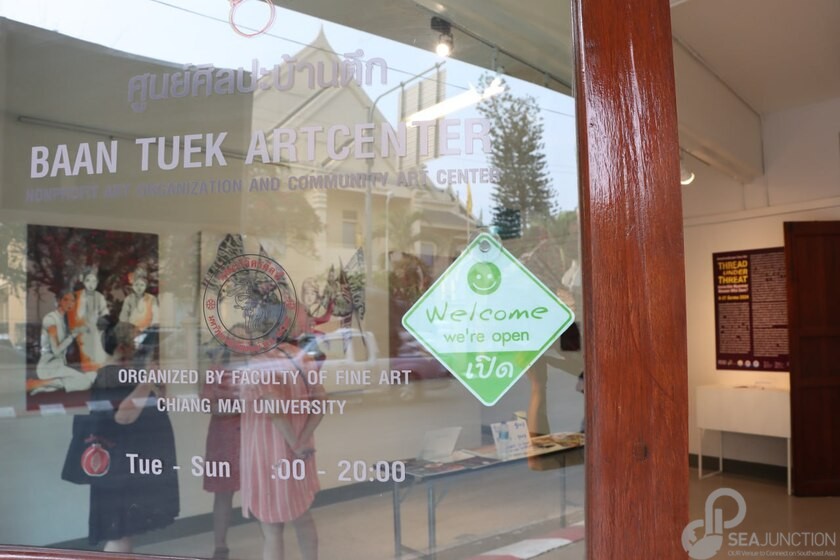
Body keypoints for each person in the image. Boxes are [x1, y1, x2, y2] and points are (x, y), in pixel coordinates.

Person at [88, 322, 179, 552]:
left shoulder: (132, 373)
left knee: (126, 532)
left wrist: (157, 384)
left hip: (132, 462)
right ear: (122, 347)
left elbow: (159, 405)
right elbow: (124, 417)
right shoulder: (112, 375)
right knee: (119, 533)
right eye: (137, 343)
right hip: (121, 465)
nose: (142, 348)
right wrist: (147, 381)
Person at [240, 331, 324, 560]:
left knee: (272, 529)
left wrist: (294, 444)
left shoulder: (259, 362)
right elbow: (321, 402)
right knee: (302, 516)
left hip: (269, 452)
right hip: (301, 451)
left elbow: (275, 410)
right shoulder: (300, 356)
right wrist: (302, 440)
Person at [200, 343, 243, 560]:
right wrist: (242, 407)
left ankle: (271, 542)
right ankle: (220, 546)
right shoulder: (215, 371)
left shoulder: (257, 370)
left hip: (252, 436)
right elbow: (208, 405)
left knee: (261, 490)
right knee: (223, 492)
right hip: (223, 439)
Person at [31, 289, 95, 395]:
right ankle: (43, 383)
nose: (69, 303)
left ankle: (48, 386)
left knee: (91, 375)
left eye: (72, 301)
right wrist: (73, 335)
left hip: (59, 366)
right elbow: (56, 351)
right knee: (86, 382)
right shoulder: (50, 319)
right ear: (59, 301)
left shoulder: (63, 320)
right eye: (66, 300)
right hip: (48, 368)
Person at [67, 266, 109, 373]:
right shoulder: (77, 297)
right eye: (88, 280)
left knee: (96, 357)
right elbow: (72, 316)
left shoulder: (99, 297)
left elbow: (104, 314)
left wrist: (99, 322)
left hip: (94, 332)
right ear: (83, 281)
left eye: (94, 281)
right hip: (80, 332)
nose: (91, 284)